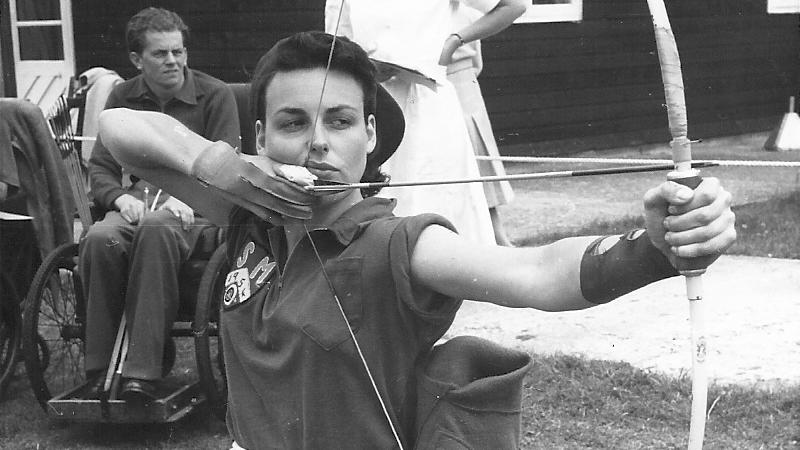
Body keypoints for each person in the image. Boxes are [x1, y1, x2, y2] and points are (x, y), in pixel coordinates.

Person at [97, 31, 736, 449]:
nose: (317, 141)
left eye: (340, 121)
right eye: (292, 123)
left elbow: (538, 273)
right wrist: (219, 168)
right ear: (261, 139)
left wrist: (655, 247)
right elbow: (118, 126)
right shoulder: (251, 218)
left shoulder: (395, 245)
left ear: (370, 137)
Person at [79, 7, 240, 401]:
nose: (173, 61)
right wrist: (117, 198)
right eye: (160, 54)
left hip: (200, 213)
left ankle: (142, 372)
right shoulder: (122, 97)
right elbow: (100, 168)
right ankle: (100, 368)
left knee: (156, 228)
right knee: (100, 237)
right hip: (139, 207)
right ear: (137, 60)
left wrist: (184, 195)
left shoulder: (214, 96)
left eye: (179, 51)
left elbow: (227, 167)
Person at [324, 0, 526, 246]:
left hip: (428, 105)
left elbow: (513, 5)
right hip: (372, 105)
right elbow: (336, 40)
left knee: (440, 206)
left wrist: (454, 41)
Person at [442, 0, 526, 246]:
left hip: (455, 76)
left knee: (476, 175)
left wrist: (455, 40)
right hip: (393, 83)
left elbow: (515, 4)